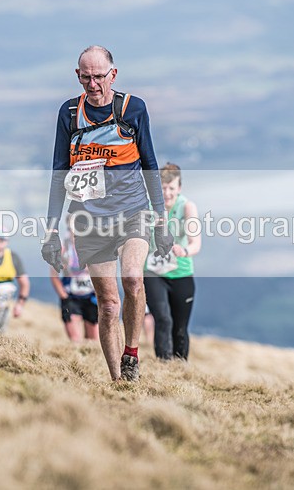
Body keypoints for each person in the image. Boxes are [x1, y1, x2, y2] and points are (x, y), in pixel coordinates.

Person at [41, 45, 173, 381]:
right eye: (86, 77)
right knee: (109, 305)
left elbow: (150, 165)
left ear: (113, 75)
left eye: (99, 77)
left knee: (132, 277)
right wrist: (51, 233)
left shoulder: (132, 110)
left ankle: (132, 353)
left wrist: (161, 220)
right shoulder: (69, 114)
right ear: (77, 76)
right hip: (89, 220)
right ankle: (119, 382)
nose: (93, 84)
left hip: (133, 212)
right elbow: (59, 173)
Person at [144, 163, 201, 360]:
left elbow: (196, 243)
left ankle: (179, 368)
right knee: (163, 319)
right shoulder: (148, 207)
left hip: (181, 272)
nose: (167, 193)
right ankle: (164, 366)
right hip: (153, 273)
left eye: (171, 188)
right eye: (163, 188)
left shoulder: (187, 207)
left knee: (180, 326)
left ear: (179, 188)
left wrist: (183, 250)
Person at [49, 223, 99, 342]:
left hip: (90, 296)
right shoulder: (62, 249)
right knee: (75, 341)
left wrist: (99, 293)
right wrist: (64, 297)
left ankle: (89, 360)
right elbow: (54, 275)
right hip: (71, 296)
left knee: (93, 341)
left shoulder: (93, 248)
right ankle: (75, 359)